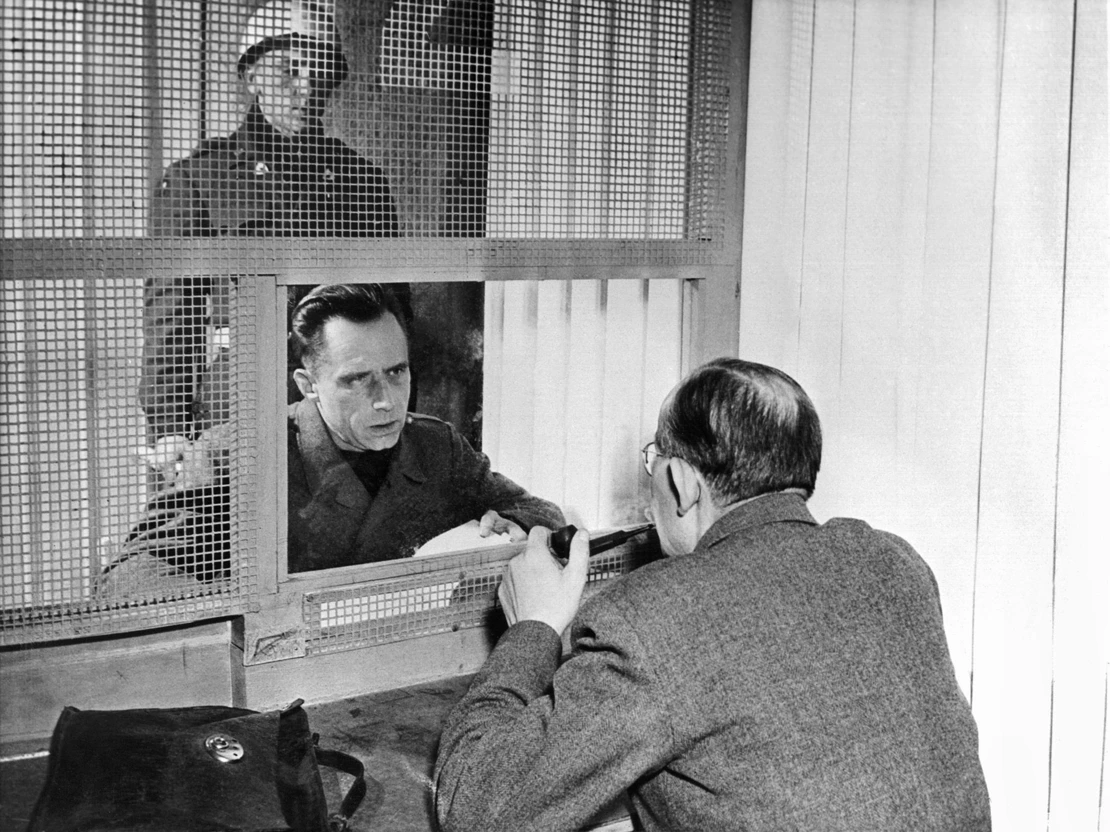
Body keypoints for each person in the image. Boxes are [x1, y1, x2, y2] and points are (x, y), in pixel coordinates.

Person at [434, 358, 991, 831]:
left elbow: (474, 805)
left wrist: (534, 627)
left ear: (681, 482)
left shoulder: (646, 623)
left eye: (653, 461)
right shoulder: (893, 563)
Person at [141, 0, 400, 442]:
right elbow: (172, 319)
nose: (307, 85)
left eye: (319, 71)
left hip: (345, 400)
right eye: (288, 69)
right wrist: (169, 430)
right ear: (252, 77)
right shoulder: (199, 179)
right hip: (243, 396)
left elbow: (394, 309)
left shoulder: (362, 180)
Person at [287, 283, 564, 571]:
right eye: (357, 379)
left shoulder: (436, 445)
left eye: (396, 371)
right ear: (309, 386)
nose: (385, 401)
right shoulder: (258, 465)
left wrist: (513, 523)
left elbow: (542, 512)